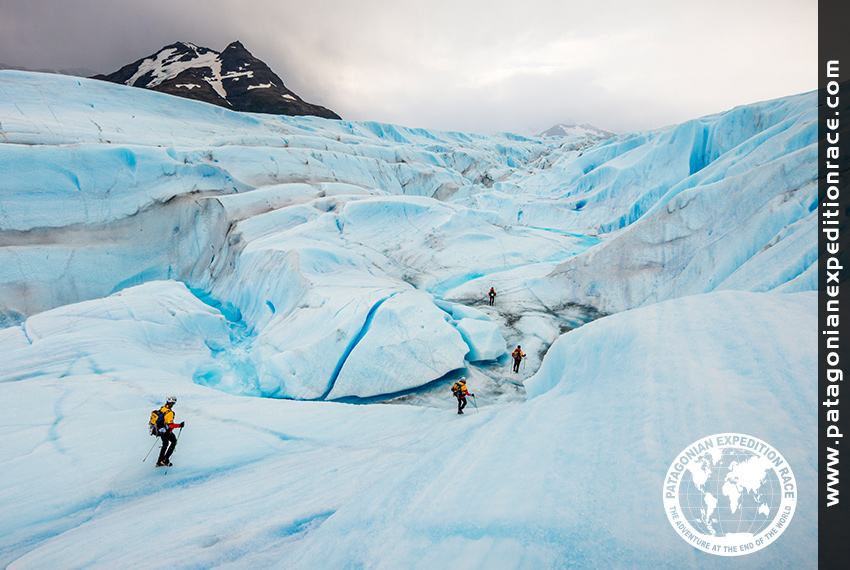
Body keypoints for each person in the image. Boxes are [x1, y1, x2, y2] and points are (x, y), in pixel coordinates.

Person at [155, 395, 184, 467]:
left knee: (165, 444)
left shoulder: (163, 408)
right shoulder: (170, 413)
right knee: (174, 441)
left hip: (160, 430)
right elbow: (170, 425)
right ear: (171, 403)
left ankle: (160, 461)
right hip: (166, 431)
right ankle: (165, 460)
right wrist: (179, 425)